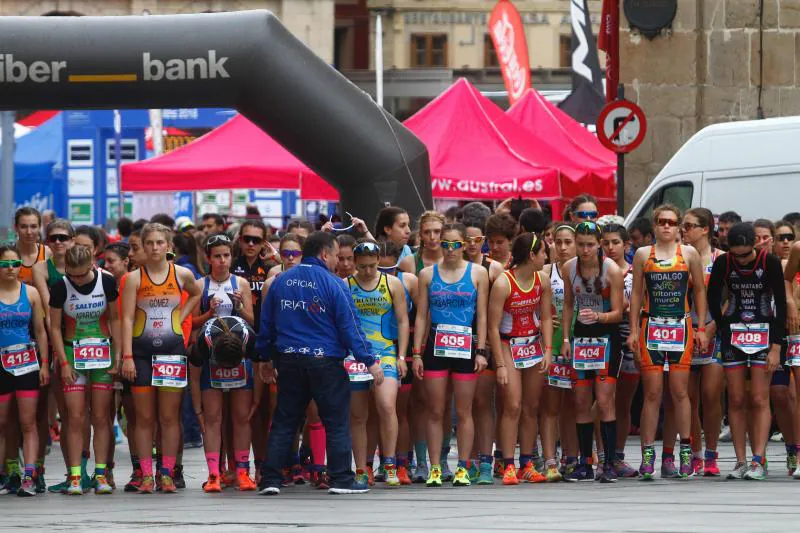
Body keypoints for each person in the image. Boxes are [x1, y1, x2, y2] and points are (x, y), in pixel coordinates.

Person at [257, 231, 383, 496]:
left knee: (284, 422)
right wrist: (369, 361)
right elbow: (351, 327)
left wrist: (265, 358)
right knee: (336, 422)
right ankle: (341, 480)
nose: (338, 261)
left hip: (289, 360)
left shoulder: (280, 282)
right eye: (336, 255)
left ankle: (270, 480)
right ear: (325, 254)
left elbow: (265, 324)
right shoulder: (335, 284)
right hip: (325, 362)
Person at [120, 223, 201, 494]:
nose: (155, 248)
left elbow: (197, 292)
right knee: (144, 418)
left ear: (169, 246)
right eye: (150, 243)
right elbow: (127, 317)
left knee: (168, 417)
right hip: (141, 353)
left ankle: (166, 472)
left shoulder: (182, 274)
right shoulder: (134, 278)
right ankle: (145, 474)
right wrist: (127, 356)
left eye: (160, 243)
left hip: (172, 349)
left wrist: (181, 314)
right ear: (143, 247)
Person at [629, 205, 708, 480]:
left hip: (681, 327)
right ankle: (647, 457)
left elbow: (699, 289)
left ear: (678, 228)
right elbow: (636, 294)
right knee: (651, 393)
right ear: (654, 225)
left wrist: (699, 327)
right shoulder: (642, 255)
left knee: (680, 392)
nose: (666, 226)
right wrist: (632, 331)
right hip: (650, 326)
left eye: (672, 223)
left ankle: (685, 453)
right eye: (661, 222)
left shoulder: (689, 253)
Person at [412, 223, 489, 487]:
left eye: (456, 244)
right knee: (435, 409)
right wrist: (417, 353)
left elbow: (483, 315)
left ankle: (463, 467)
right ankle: (435, 467)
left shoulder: (478, 273)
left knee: (464, 411)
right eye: (445, 244)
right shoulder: (426, 274)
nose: (451, 249)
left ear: (465, 245)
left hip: (466, 346)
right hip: (436, 346)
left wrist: (481, 350)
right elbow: (422, 315)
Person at [708, 223, 785, 480]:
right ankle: (740, 460)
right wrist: (721, 326)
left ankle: (757, 460)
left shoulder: (770, 263)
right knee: (737, 399)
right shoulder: (723, 263)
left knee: (760, 399)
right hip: (734, 335)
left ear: (756, 245)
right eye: (735, 254)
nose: (740, 260)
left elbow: (781, 308)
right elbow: (712, 298)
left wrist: (776, 346)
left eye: (745, 255)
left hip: (764, 333)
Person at [49, 245, 120, 495]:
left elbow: (116, 319)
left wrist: (119, 356)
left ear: (92, 265)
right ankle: (76, 476)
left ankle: (101, 474)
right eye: (72, 275)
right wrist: (64, 362)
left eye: (82, 275)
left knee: (101, 416)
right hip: (72, 353)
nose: (77, 280)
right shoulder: (60, 287)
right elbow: (54, 328)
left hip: (102, 354)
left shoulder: (107, 282)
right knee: (75, 416)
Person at [561, 222, 624, 482]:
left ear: (599, 244)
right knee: (580, 400)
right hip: (581, 338)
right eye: (580, 244)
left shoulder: (612, 270)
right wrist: (565, 338)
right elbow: (567, 304)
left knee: (605, 399)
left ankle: (608, 462)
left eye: (590, 244)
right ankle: (585, 462)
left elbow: (619, 312)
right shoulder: (569, 268)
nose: (585, 250)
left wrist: (600, 315)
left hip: (607, 337)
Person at [490, 233, 552, 485]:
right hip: (508, 343)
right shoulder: (504, 283)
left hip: (533, 344)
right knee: (513, 405)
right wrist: (501, 365)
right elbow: (493, 327)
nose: (547, 257)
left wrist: (548, 349)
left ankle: (527, 462)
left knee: (531, 407)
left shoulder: (542, 279)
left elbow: (546, 316)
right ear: (531, 255)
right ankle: (507, 464)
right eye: (543, 253)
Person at [347, 240, 409, 487]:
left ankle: (390, 462)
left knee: (386, 405)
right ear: (354, 263)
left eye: (373, 266)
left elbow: (403, 321)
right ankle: (361, 468)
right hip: (355, 356)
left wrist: (403, 356)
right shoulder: (345, 285)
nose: (368, 271)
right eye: (363, 267)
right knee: (358, 414)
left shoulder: (391, 283)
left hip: (385, 351)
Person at [31, 221, 78, 494]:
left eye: (63, 238)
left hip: (80, 339)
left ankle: (80, 471)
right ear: (47, 242)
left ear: (72, 240)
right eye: (53, 239)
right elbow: (49, 308)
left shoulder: (82, 264)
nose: (58, 243)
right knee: (45, 407)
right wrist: (57, 346)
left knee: (75, 413)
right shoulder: (41, 268)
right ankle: (37, 470)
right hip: (52, 338)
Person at [190, 314, 260, 493]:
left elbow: (259, 366)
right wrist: (198, 410)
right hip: (211, 370)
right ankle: (213, 475)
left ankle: (243, 472)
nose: (228, 370)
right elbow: (195, 377)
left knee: (242, 418)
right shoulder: (203, 343)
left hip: (242, 370)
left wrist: (256, 400)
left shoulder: (249, 338)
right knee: (212, 420)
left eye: (231, 366)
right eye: (226, 366)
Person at [0, 245, 49, 497]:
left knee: (28, 422)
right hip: (1, 366)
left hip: (27, 364)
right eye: (5, 264)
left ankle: (29, 475)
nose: (11, 269)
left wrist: (45, 364)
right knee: (2, 422)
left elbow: (41, 331)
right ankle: (6, 473)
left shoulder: (30, 293)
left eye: (15, 263)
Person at [679, 208, 724, 477]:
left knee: (711, 395)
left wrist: (711, 326)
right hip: (686, 331)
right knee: (688, 397)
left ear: (706, 228)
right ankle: (695, 453)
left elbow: (730, 299)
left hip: (714, 331)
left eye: (690, 226)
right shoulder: (679, 257)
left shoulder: (721, 259)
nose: (684, 231)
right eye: (683, 226)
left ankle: (712, 453)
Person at [463, 214, 504, 484]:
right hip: (460, 341)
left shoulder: (494, 268)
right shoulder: (454, 267)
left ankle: (487, 460)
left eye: (478, 239)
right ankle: (472, 458)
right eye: (467, 240)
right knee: (467, 404)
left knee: (483, 402)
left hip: (487, 342)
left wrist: (491, 339)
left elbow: (502, 308)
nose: (472, 244)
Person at [600, 223, 640, 478]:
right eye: (606, 243)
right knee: (603, 400)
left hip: (629, 336)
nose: (611, 247)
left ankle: (619, 456)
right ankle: (603, 455)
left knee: (623, 401)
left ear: (626, 245)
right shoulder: (596, 271)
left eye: (616, 242)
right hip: (603, 337)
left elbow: (642, 301)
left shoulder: (637, 272)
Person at [377, 240, 418, 485]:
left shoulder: (408, 280)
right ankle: (382, 462)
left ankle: (403, 463)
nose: (383, 276)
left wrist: (414, 352)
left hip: (402, 350)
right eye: (378, 270)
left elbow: (422, 313)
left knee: (399, 411)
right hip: (374, 350)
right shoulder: (363, 279)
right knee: (378, 412)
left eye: (389, 270)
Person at [541, 224, 578, 482]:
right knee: (551, 405)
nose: (563, 247)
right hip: (552, 345)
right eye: (558, 241)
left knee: (575, 405)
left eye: (568, 242)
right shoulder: (545, 273)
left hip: (581, 344)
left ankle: (573, 457)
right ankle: (550, 459)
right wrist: (538, 322)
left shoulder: (584, 271)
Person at [399, 210, 444, 275]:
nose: (432, 237)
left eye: (437, 231)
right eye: (426, 232)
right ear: (420, 235)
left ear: (445, 232)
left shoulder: (455, 259)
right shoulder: (408, 262)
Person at [15, 207, 50, 285]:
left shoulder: (48, 253)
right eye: (23, 227)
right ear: (16, 228)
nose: (29, 232)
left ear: (39, 227)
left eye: (33, 226)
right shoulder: (6, 255)